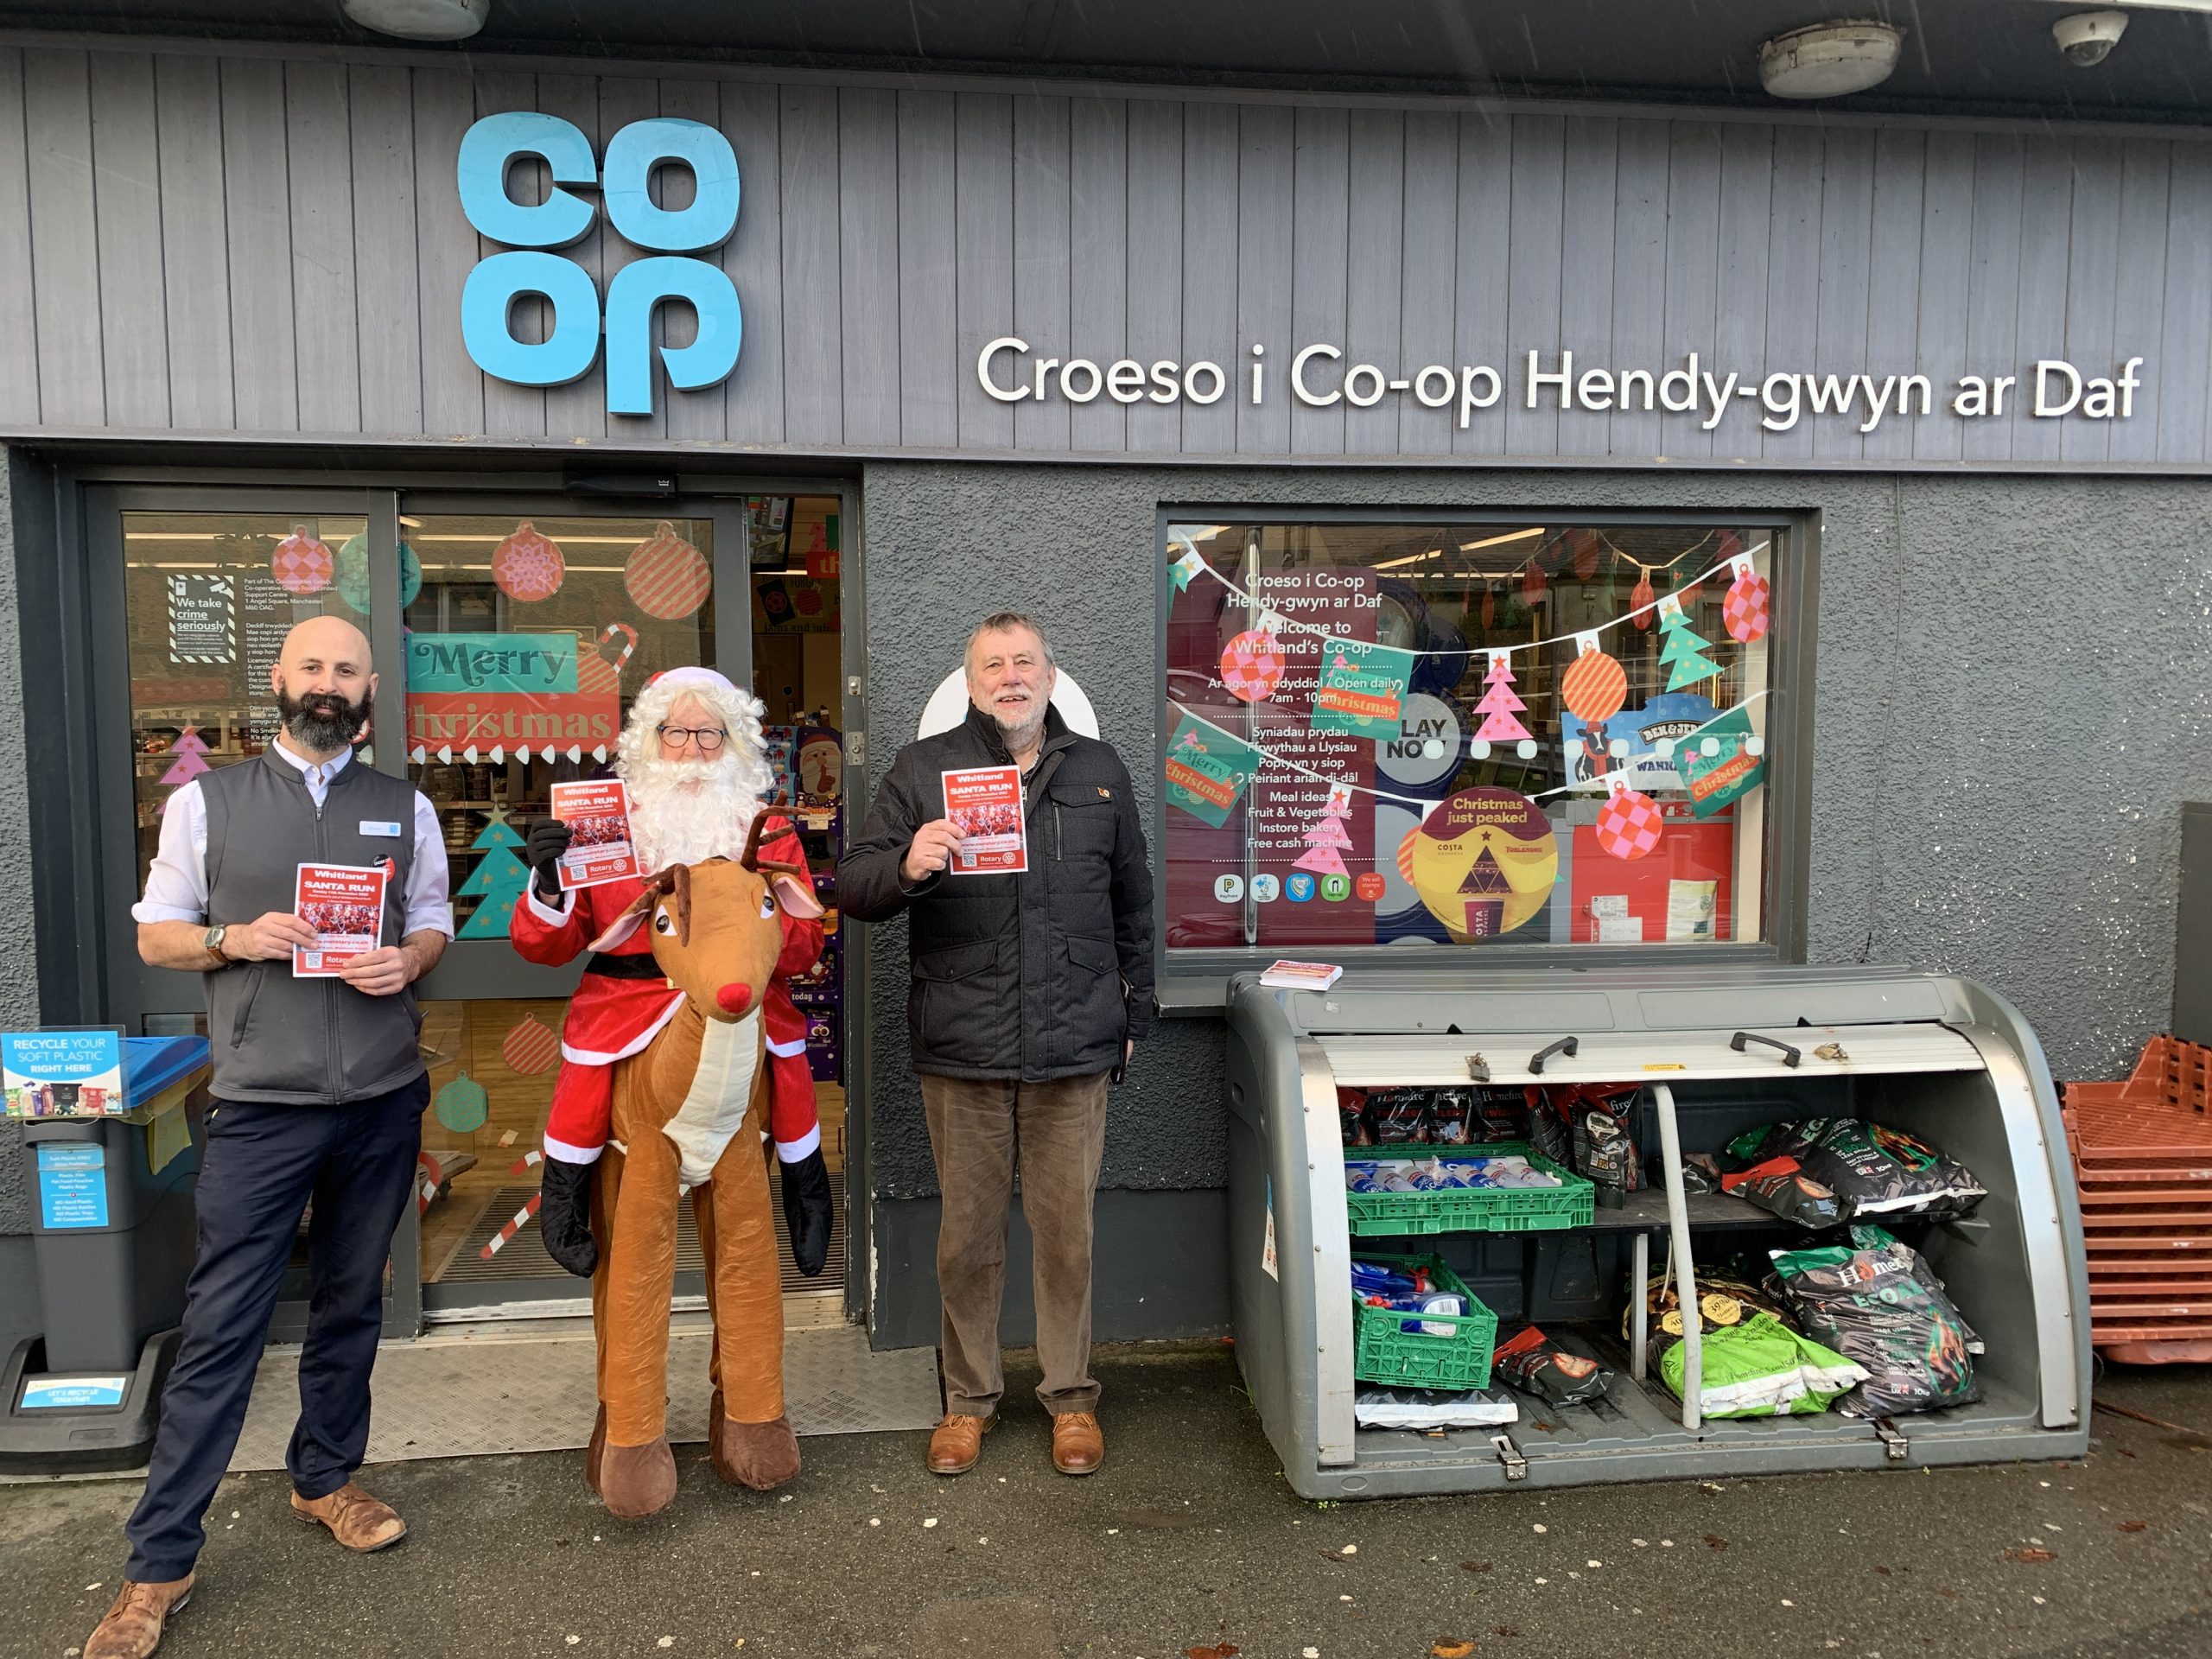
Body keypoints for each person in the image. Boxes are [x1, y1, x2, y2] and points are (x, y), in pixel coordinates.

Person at [89, 615, 451, 1659]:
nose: (328, 683)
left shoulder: (405, 806)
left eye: (347, 670)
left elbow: (431, 920)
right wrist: (232, 939)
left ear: (369, 689)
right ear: (281, 681)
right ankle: (159, 1562)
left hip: (380, 1096)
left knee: (350, 1303)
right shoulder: (207, 802)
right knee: (222, 1328)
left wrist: (408, 959)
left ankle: (324, 1478)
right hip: (259, 1106)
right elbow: (157, 934)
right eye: (311, 666)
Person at [841, 613, 1154, 1478]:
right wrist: (908, 862)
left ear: (1049, 676)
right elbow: (854, 885)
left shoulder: (1099, 770)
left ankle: (1071, 1398)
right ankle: (968, 1400)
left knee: (1067, 1238)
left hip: (1075, 1041)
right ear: (970, 681)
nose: (1010, 677)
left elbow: (1134, 902)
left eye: (1024, 663)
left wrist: (1136, 1014)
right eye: (993, 665)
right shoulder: (923, 769)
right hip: (964, 1046)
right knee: (966, 1241)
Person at [511, 667, 833, 1278]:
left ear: (733, 742)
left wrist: (762, 925)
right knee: (586, 1071)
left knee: (789, 1063)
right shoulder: (603, 831)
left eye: (710, 734)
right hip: (627, 1002)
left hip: (740, 1004)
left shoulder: (769, 830)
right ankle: (563, 1195)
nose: (692, 750)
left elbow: (803, 950)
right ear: (649, 739)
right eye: (675, 732)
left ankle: (807, 1185)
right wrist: (549, 885)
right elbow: (547, 948)